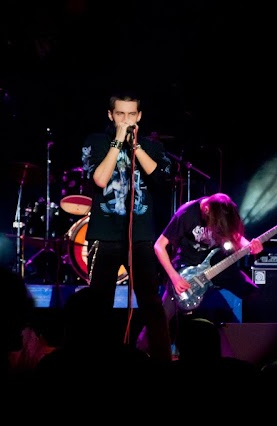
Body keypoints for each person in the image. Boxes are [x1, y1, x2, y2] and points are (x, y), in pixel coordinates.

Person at [80, 91, 174, 361]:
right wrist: (117, 142)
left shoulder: (152, 147)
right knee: (100, 303)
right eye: (120, 114)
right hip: (104, 235)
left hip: (141, 236)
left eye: (131, 114)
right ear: (110, 115)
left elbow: (161, 178)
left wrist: (136, 148)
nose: (126, 120)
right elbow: (99, 179)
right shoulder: (95, 142)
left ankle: (162, 361)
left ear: (139, 116)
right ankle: (97, 359)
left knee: (151, 302)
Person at [153, 193, 264, 342]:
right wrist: (175, 277)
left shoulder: (221, 212)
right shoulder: (186, 213)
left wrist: (251, 246)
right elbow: (159, 246)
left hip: (216, 265)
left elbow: (235, 235)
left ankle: (247, 343)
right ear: (206, 209)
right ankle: (144, 349)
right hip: (188, 269)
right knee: (161, 319)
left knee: (253, 294)